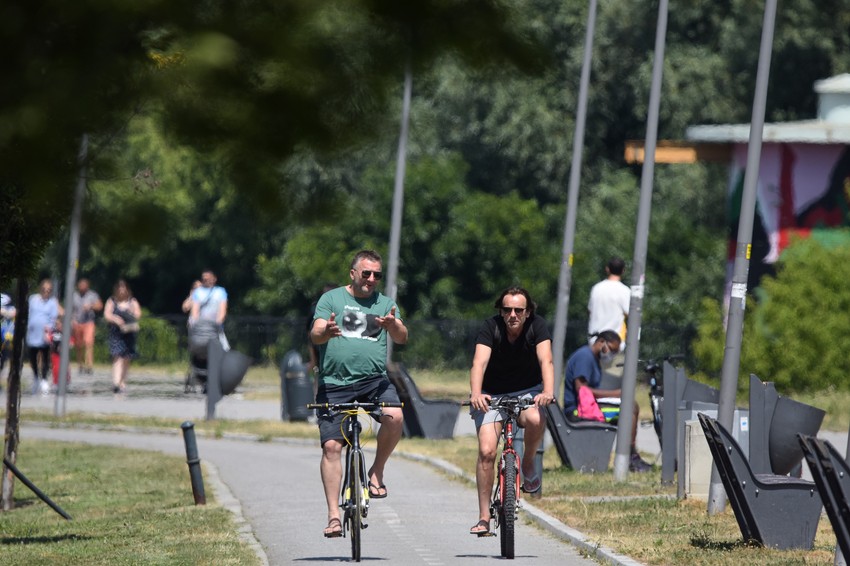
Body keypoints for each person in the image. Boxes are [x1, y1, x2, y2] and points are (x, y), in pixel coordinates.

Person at [310, 250, 408, 538]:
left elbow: (402, 337)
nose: (371, 279)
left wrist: (393, 325)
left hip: (373, 382)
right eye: (366, 273)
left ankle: (376, 472)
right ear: (352, 273)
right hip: (334, 383)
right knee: (331, 447)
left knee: (394, 416)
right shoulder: (331, 299)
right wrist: (326, 331)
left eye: (377, 274)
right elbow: (315, 333)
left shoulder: (385, 304)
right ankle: (333, 516)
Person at [468, 286, 555, 535]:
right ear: (501, 311)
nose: (513, 315)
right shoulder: (491, 327)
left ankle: (527, 464)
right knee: (487, 451)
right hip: (491, 393)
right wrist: (476, 393)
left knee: (536, 418)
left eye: (518, 310)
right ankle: (484, 517)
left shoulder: (537, 326)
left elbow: (546, 360)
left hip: (527, 390)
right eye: (507, 310)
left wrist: (547, 391)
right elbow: (479, 363)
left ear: (528, 312)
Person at [563, 330, 652, 472]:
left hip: (586, 406)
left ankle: (630, 455)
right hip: (577, 411)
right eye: (611, 349)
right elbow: (582, 389)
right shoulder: (585, 357)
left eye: (615, 352)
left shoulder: (592, 357)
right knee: (630, 408)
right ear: (601, 342)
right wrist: (616, 394)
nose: (612, 354)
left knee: (630, 406)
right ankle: (631, 458)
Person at [587, 257, 631, 376]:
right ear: (623, 271)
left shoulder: (596, 288)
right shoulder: (624, 291)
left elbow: (590, 311)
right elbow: (632, 315)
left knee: (593, 378)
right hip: (614, 344)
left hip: (594, 342)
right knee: (612, 379)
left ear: (607, 269)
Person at [103, 279, 142, 394]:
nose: (121, 290)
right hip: (116, 333)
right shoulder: (111, 301)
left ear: (127, 290)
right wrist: (115, 319)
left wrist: (130, 314)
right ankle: (116, 383)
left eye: (123, 288)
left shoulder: (132, 301)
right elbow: (106, 315)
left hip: (129, 332)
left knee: (126, 358)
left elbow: (138, 314)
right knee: (117, 357)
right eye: (119, 288)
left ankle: (122, 383)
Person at [26, 279, 61, 395]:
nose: (46, 292)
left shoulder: (52, 302)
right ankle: (36, 377)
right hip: (33, 333)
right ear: (40, 289)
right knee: (33, 357)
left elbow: (53, 318)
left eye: (49, 290)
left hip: (45, 333)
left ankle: (44, 379)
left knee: (45, 357)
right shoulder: (33, 299)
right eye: (44, 289)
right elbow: (28, 313)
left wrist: (49, 330)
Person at [189, 270, 229, 350]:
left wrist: (217, 323)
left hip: (215, 328)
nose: (206, 280)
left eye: (208, 279)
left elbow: (222, 311)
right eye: (204, 279)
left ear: (214, 279)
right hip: (201, 329)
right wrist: (196, 324)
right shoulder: (198, 292)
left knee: (222, 349)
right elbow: (195, 312)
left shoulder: (220, 291)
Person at [71, 278, 103, 375]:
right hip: (77, 322)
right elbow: (69, 309)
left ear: (88, 286)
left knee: (88, 343)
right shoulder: (74, 295)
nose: (82, 287)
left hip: (89, 322)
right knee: (79, 345)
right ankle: (80, 364)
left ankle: (89, 365)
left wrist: (91, 306)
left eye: (84, 285)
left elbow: (100, 306)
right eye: (81, 285)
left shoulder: (92, 295)